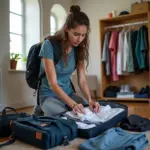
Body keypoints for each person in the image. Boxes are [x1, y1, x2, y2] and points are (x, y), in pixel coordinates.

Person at [34, 5, 100, 117]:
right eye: (76, 34)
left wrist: (90, 100)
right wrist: (73, 105)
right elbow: (53, 84)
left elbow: (82, 80)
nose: (79, 39)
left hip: (68, 93)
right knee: (66, 116)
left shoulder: (79, 48)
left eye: (83, 35)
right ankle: (40, 107)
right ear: (66, 28)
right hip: (48, 95)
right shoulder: (49, 45)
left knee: (87, 109)